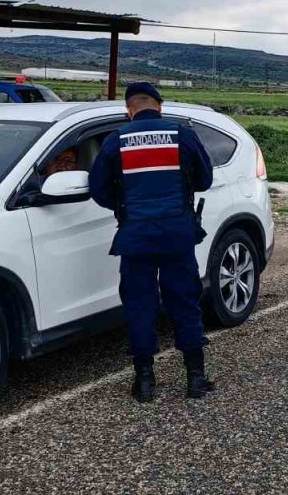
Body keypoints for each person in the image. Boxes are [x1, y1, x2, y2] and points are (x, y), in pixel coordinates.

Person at [89, 82, 215, 403]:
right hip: (177, 235)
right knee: (185, 302)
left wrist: (123, 204)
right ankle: (195, 380)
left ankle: (144, 382)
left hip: (136, 237)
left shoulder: (116, 141)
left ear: (129, 110)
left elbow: (99, 190)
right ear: (159, 106)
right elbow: (204, 179)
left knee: (140, 305)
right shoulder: (181, 134)